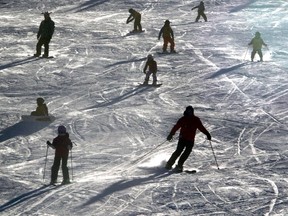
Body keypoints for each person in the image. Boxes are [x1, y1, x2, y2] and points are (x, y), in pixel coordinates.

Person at [165, 106, 211, 172]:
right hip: (182, 138)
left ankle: (179, 165)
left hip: (190, 140)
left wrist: (207, 134)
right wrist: (171, 134)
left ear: (192, 112)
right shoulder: (183, 119)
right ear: (186, 111)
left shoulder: (196, 120)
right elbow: (176, 127)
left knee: (186, 153)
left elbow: (201, 127)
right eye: (188, 111)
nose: (189, 113)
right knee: (178, 151)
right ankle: (169, 164)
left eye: (190, 111)